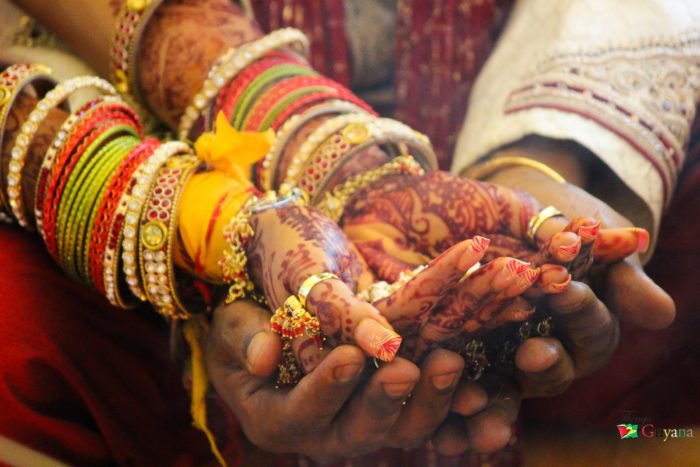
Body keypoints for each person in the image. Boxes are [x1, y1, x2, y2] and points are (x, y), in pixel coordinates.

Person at [0, 0, 690, 465]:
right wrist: (205, 226)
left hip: (503, 104)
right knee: (19, 338)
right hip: (121, 125)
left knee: (661, 378)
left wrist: (539, 165)